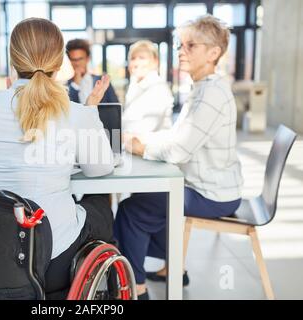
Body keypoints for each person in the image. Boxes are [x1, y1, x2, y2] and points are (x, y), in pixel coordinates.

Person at [0, 18, 115, 299]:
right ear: (59, 60)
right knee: (100, 202)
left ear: (13, 59)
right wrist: (89, 112)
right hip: (56, 257)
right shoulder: (75, 112)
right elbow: (100, 169)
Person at [115, 15, 244, 300]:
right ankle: (169, 264)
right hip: (204, 185)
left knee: (131, 211)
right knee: (146, 202)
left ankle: (136, 288)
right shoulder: (202, 88)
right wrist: (144, 142)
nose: (181, 51)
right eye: (180, 45)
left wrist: (140, 147)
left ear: (213, 53)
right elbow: (176, 137)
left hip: (212, 193)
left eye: (191, 45)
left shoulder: (211, 93)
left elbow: (178, 149)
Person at [123, 40, 174, 134]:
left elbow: (145, 128)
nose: (136, 63)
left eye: (142, 58)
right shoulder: (135, 86)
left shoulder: (158, 89)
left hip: (150, 147)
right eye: (133, 58)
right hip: (131, 145)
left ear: (155, 61)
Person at [65, 38, 119, 104]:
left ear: (88, 59)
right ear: (69, 60)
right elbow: (68, 109)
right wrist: (75, 84)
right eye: (73, 59)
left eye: (80, 59)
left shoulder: (102, 81)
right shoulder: (66, 86)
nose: (77, 63)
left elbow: (115, 106)